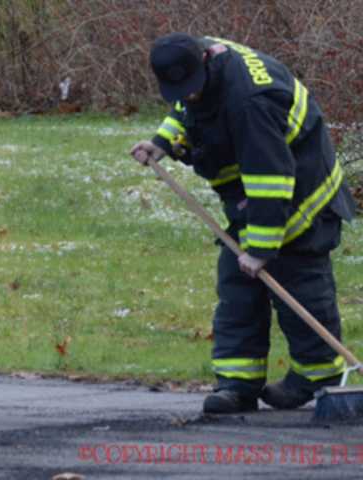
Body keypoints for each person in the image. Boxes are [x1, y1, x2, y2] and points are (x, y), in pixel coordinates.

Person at [130, 33, 356, 414]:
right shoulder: (199, 63)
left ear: (206, 61)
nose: (190, 94)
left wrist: (261, 250)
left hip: (301, 188)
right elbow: (192, 108)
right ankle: (237, 385)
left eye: (192, 86)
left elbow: (271, 177)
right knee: (237, 285)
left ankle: (318, 378)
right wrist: (163, 142)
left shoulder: (250, 102)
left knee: (297, 278)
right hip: (252, 192)